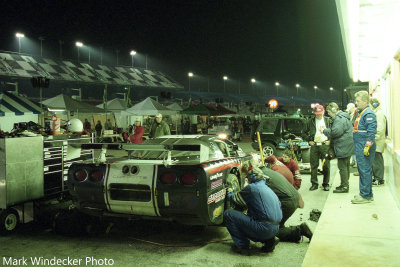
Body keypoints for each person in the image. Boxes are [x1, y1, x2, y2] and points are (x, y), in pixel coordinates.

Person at [248, 154, 313, 243]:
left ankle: (299, 230)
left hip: (288, 202)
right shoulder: (268, 171)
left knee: (269, 230)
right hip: (293, 197)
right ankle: (293, 233)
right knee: (277, 226)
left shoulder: (261, 177)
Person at [224, 163, 282, 255]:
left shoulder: (252, 188)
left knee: (229, 214)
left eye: (248, 178)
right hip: (275, 228)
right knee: (253, 216)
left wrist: (230, 192)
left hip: (263, 229)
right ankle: (269, 240)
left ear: (252, 177)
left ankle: (243, 246)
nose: (248, 180)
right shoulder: (268, 189)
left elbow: (236, 199)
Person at [321, 102, 354, 193]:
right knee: (346, 166)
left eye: (329, 112)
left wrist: (324, 130)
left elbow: (336, 132)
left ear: (334, 110)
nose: (329, 114)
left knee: (342, 166)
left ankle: (344, 186)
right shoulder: (344, 117)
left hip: (343, 146)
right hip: (347, 145)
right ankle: (345, 183)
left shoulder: (339, 119)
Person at [352, 90, 377, 204]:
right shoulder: (361, 113)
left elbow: (371, 132)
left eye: (358, 101)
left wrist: (367, 146)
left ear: (365, 101)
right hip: (360, 144)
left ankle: (365, 196)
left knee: (365, 170)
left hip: (364, 145)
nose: (356, 103)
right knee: (363, 170)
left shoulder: (369, 114)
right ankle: (367, 194)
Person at [303, 104, 331, 191]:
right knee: (314, 165)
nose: (318, 115)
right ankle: (314, 184)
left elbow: (334, 131)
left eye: (320, 113)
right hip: (315, 145)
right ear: (314, 113)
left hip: (324, 145)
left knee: (326, 165)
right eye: (317, 113)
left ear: (324, 112)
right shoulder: (310, 121)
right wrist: (309, 140)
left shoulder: (328, 121)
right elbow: (303, 133)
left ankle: (325, 184)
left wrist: (330, 140)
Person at [370, 98, 386, 186]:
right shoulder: (376, 113)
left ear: (374, 105)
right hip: (376, 140)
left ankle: (379, 179)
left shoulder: (379, 114)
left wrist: (374, 137)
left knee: (377, 161)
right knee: (375, 160)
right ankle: (376, 177)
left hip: (377, 141)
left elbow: (379, 128)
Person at [346, 103, 358, 167]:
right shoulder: (351, 114)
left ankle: (356, 162)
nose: (349, 111)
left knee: (355, 148)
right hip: (352, 133)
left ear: (353, 108)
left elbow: (354, 122)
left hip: (355, 133)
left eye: (349, 109)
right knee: (353, 148)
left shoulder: (357, 113)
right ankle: (353, 161)